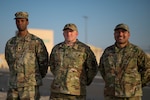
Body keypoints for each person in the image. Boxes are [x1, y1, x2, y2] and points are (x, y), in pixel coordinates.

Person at [99, 23, 150, 100]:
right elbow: (102, 69)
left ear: (129, 34)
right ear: (114, 34)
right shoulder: (107, 51)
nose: (120, 34)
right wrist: (111, 83)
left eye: (123, 32)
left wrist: (136, 85)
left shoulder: (136, 51)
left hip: (131, 96)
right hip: (111, 95)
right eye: (118, 32)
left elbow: (147, 68)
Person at [5, 11, 48, 100]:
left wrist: (35, 77)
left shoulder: (36, 41)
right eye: (17, 21)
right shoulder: (10, 43)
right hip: (13, 85)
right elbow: (9, 60)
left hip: (30, 86)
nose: (20, 23)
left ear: (27, 22)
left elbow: (43, 63)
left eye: (22, 20)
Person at [49, 23, 98, 100]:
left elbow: (93, 68)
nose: (68, 33)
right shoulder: (57, 48)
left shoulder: (84, 49)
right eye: (66, 31)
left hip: (76, 92)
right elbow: (52, 66)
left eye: (71, 31)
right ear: (63, 33)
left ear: (76, 33)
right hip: (57, 91)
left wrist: (84, 81)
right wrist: (59, 77)